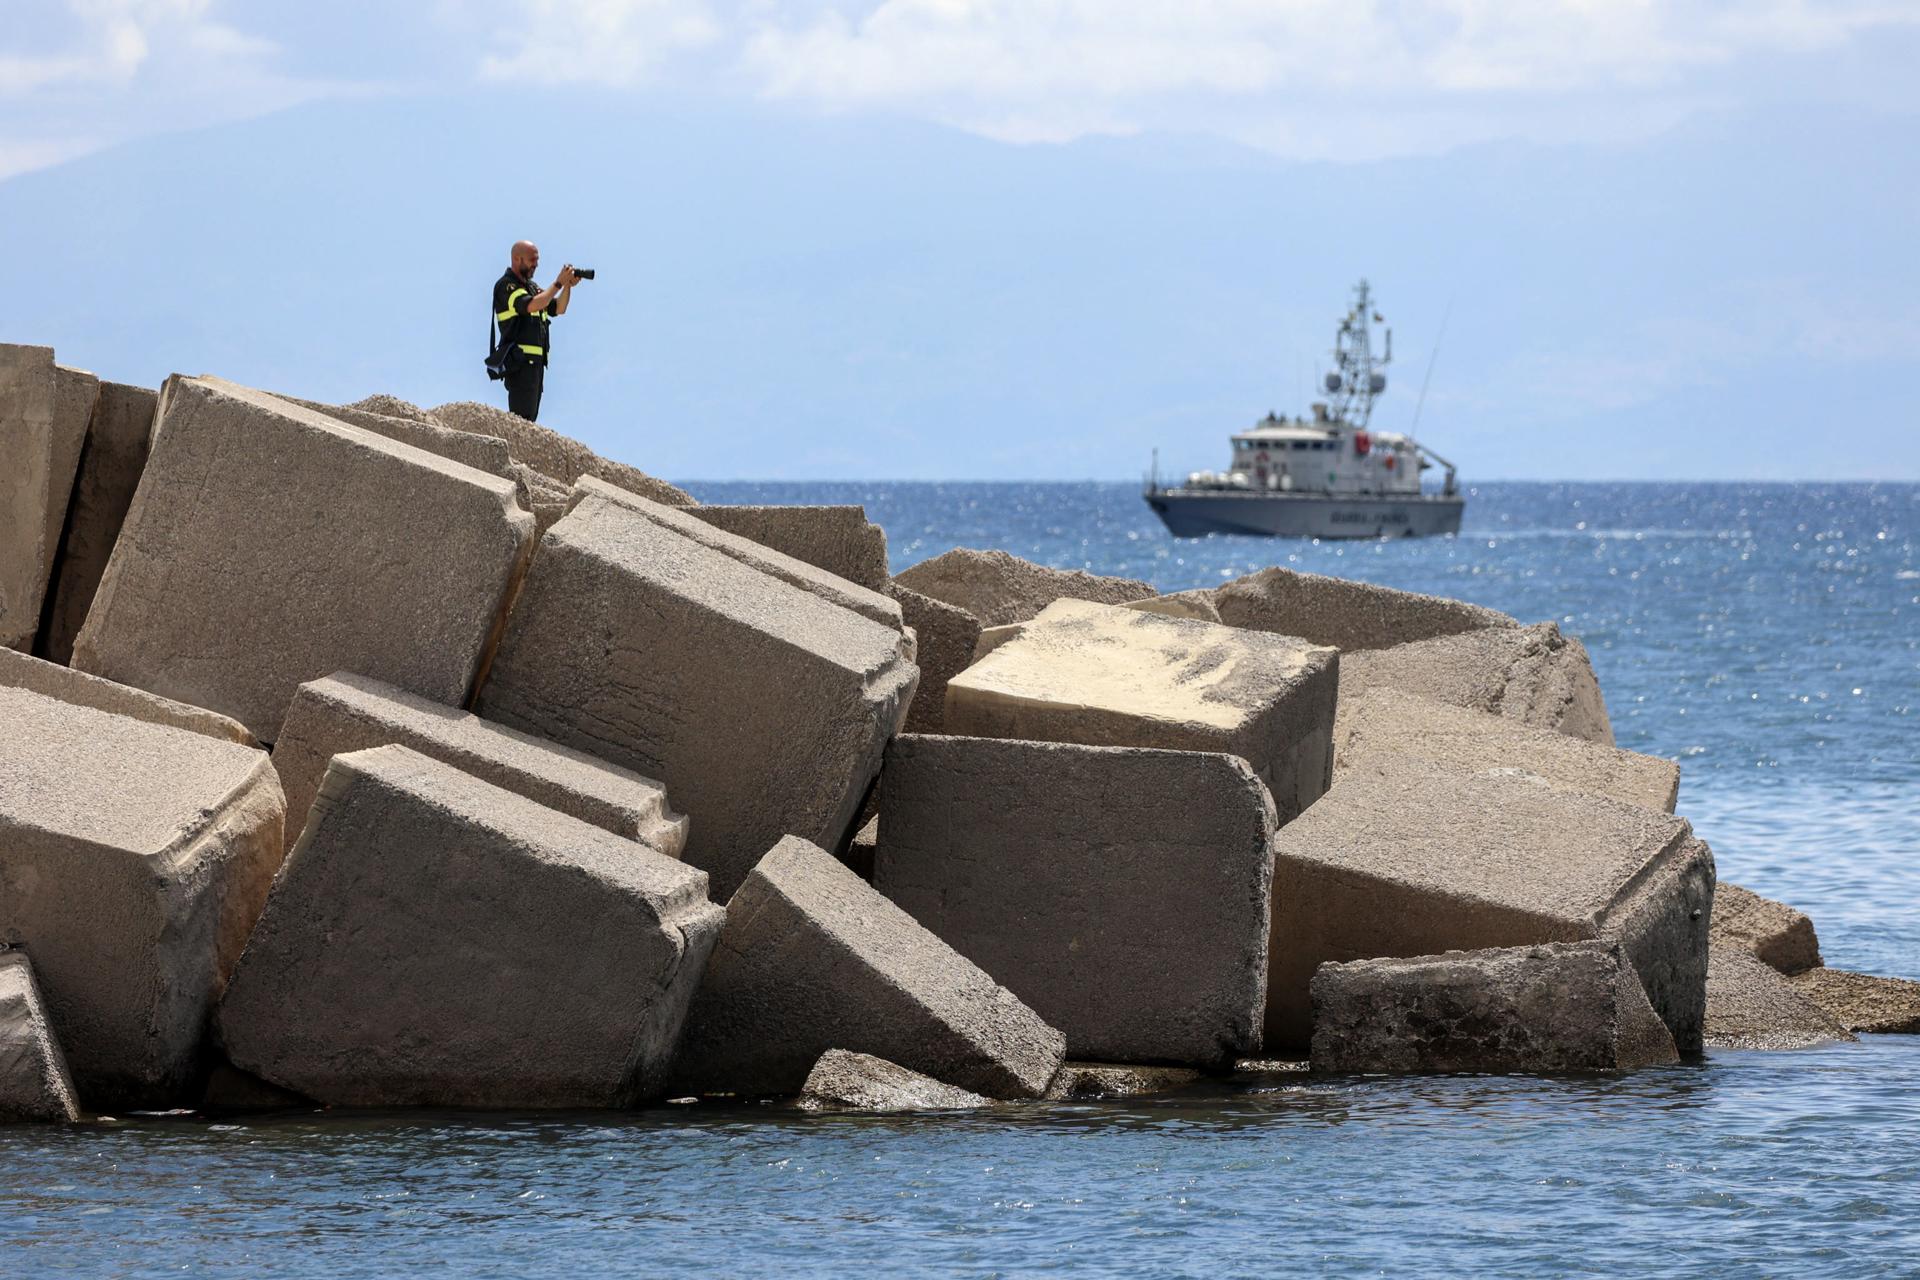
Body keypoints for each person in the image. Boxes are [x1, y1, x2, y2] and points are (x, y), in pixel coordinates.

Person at [492, 241, 581, 422]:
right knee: (521, 420)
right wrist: (558, 283)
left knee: (530, 420)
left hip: (536, 366)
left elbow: (559, 308)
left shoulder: (532, 288)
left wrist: (567, 286)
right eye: (532, 260)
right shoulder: (507, 286)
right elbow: (531, 305)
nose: (536, 264)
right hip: (520, 364)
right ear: (517, 259)